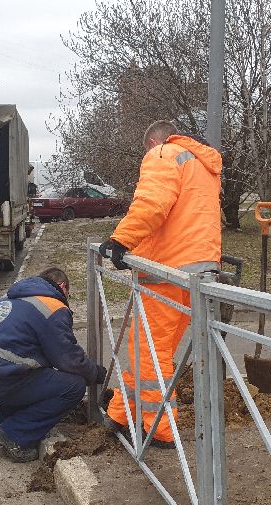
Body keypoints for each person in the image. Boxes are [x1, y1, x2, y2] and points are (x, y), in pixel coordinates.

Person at [98, 120, 222, 448]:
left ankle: (161, 430)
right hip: (198, 271)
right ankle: (119, 413)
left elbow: (153, 203)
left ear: (154, 141)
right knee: (150, 349)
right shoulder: (202, 164)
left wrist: (121, 241)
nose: (147, 156)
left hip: (165, 270)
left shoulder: (164, 153)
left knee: (150, 352)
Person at [0, 267, 106, 462]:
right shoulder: (52, 307)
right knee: (73, 386)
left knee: (37, 378)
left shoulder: (12, 297)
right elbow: (67, 358)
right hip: (0, 377)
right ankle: (15, 435)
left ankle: (0, 423)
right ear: (63, 286)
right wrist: (94, 373)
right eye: (68, 293)